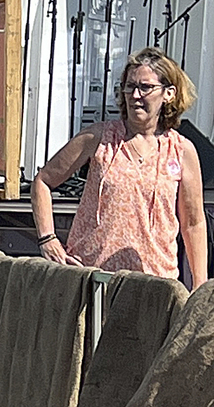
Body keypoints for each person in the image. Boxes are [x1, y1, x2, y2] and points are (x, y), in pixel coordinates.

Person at [32, 48, 207, 286]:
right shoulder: (99, 137)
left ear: (168, 93)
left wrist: (200, 285)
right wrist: (47, 239)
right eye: (129, 86)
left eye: (145, 87)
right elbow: (43, 181)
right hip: (91, 280)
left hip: (155, 285)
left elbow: (193, 223)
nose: (135, 95)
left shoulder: (181, 150)